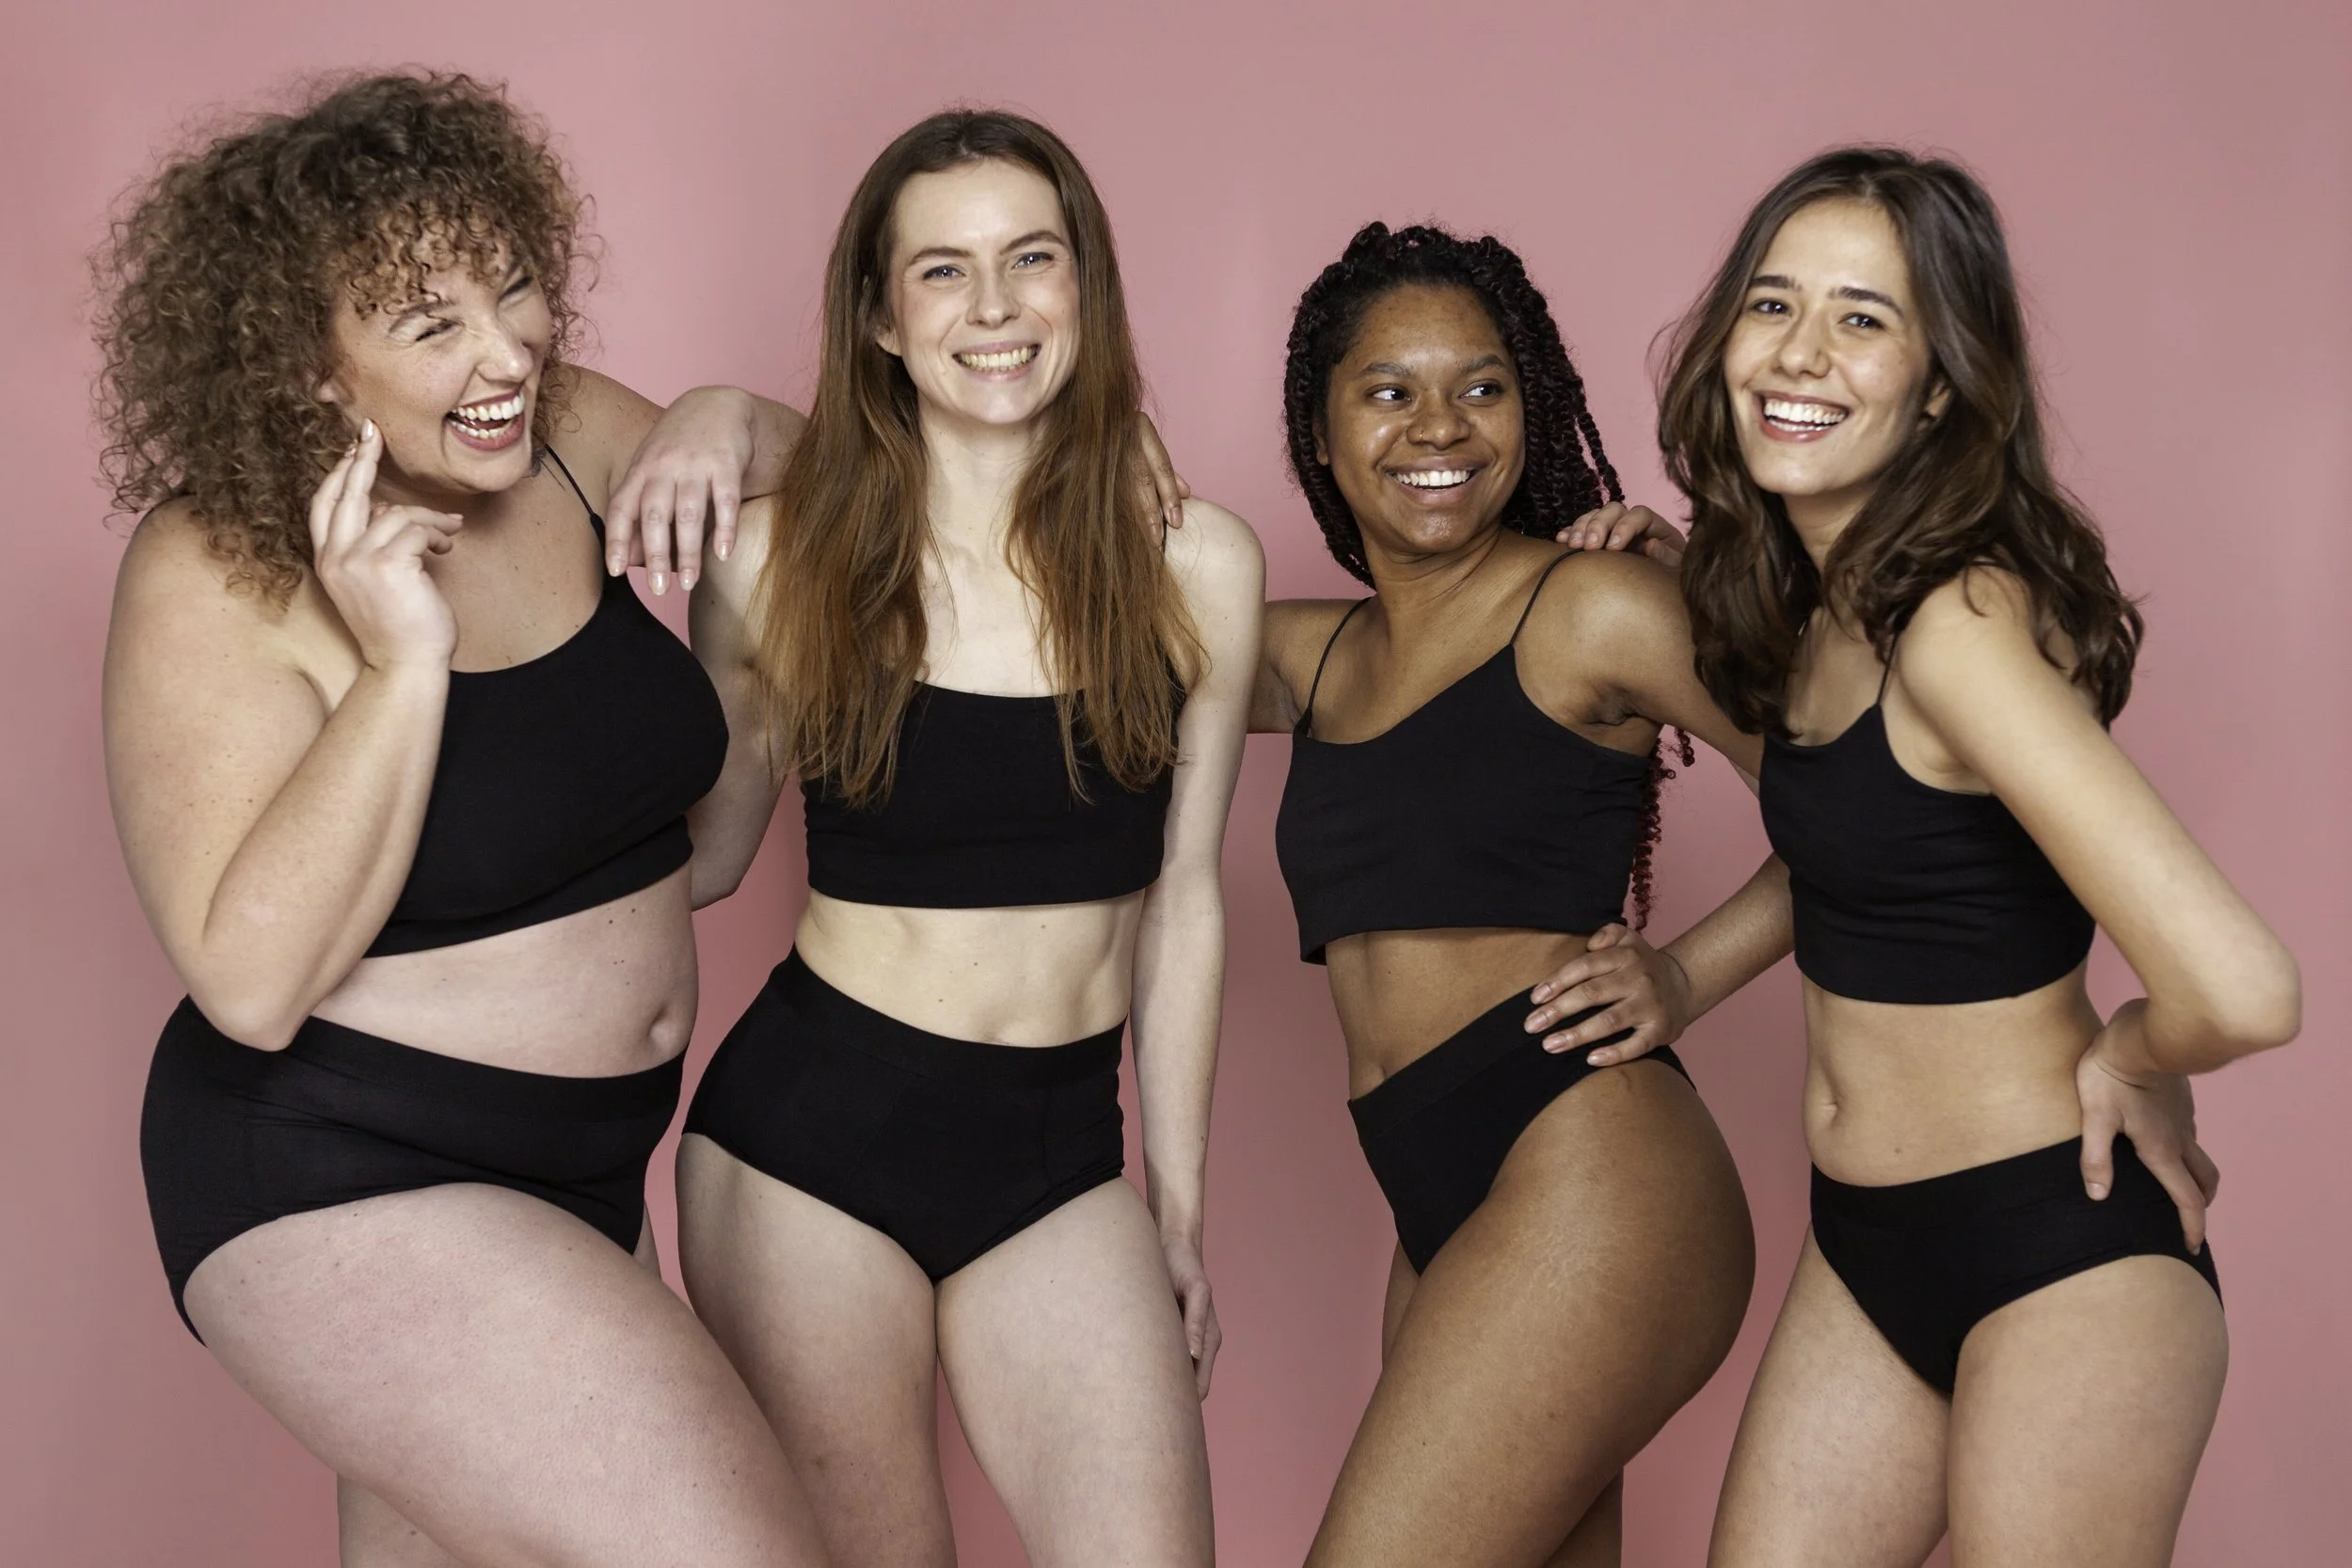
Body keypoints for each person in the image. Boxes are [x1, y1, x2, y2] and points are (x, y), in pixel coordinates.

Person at [97, 71, 834, 1566]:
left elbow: (850, 495)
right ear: (308, 363)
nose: (507, 354)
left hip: (587, 1165)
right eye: (432, 325)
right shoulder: (212, 566)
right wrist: (403, 662)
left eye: (515, 291)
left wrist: (726, 415)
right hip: (343, 1160)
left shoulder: (558, 438)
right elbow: (249, 982)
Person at [1667, 149, 2301, 1567]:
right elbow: (1862, 857)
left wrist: (2139, 1055)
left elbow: (2246, 986)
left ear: (1940, 383)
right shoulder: (1819, 602)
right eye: (1772, 303)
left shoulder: (1954, 619)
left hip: (2060, 1249)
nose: (1800, 352)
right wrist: (1679, 980)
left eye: (1864, 318)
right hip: (1866, 1251)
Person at [664, 111, 1263, 1568]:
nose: (992, 308)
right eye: (942, 272)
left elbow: (1183, 899)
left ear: (1085, 289)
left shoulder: (1200, 566)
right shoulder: (773, 561)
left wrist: (1175, 1209)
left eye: (1030, 260)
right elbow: (706, 858)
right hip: (807, 1148)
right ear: (880, 317)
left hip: (1059, 1155)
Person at [1250, 220, 1788, 1566]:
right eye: (1386, 391)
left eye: (1483, 386)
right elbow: (1068, 617)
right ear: (1319, 434)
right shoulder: (1309, 657)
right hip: (1442, 1196)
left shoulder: (1594, 607)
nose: (1441, 425)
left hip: (1589, 1164)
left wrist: (1687, 972)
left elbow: (1880, 802)